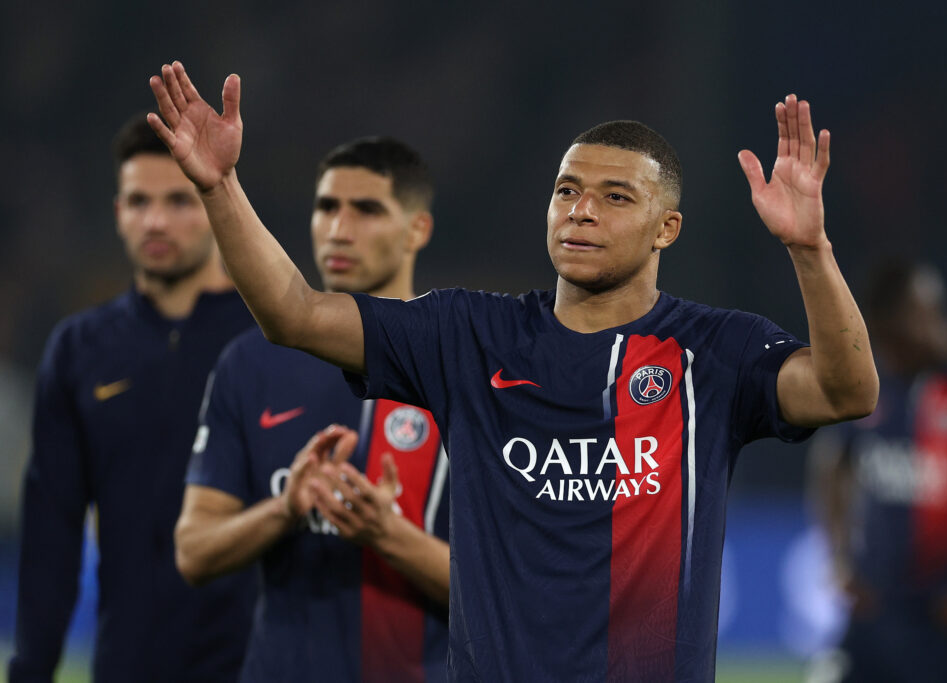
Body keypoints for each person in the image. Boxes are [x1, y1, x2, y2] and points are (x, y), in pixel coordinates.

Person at [147, 61, 879, 682]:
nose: (581, 210)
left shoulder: (711, 352)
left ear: (667, 228)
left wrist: (810, 248)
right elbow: (297, 315)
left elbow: (848, 391)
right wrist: (219, 188)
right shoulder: (471, 334)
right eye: (567, 190)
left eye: (615, 197)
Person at [174, 137, 451, 683]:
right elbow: (194, 552)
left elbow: (517, 591)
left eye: (367, 209)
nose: (338, 228)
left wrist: (385, 534)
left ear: (417, 229)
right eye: (326, 207)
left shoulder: (459, 365)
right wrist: (285, 508)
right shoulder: (251, 364)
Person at [8, 114, 257, 682]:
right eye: (139, 202)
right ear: (118, 212)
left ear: (215, 207)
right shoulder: (79, 350)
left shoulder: (270, 341)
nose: (156, 221)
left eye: (179, 201)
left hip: (256, 666)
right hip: (129, 664)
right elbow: (52, 535)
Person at [810, 262, 947, 683]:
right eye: (883, 341)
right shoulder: (881, 384)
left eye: (897, 340)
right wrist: (840, 559)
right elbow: (833, 464)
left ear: (924, 316)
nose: (890, 354)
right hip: (877, 619)